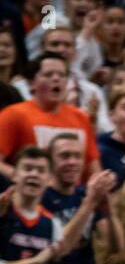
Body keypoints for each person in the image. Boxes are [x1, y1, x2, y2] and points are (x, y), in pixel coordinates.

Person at [0, 52, 99, 181]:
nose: (56, 79)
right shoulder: (13, 115)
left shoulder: (81, 118)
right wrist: (24, 179)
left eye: (62, 75)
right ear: (31, 83)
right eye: (48, 74)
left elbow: (93, 168)